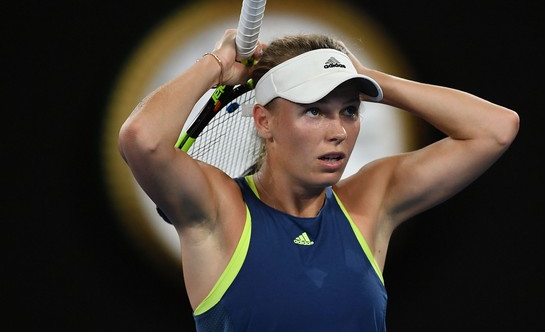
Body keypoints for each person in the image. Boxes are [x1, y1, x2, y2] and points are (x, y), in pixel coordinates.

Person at [118, 28, 519, 331]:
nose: (339, 131)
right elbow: (142, 139)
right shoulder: (218, 209)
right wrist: (217, 65)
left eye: (349, 110)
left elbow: (496, 128)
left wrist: (363, 76)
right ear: (264, 121)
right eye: (314, 111)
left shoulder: (370, 200)